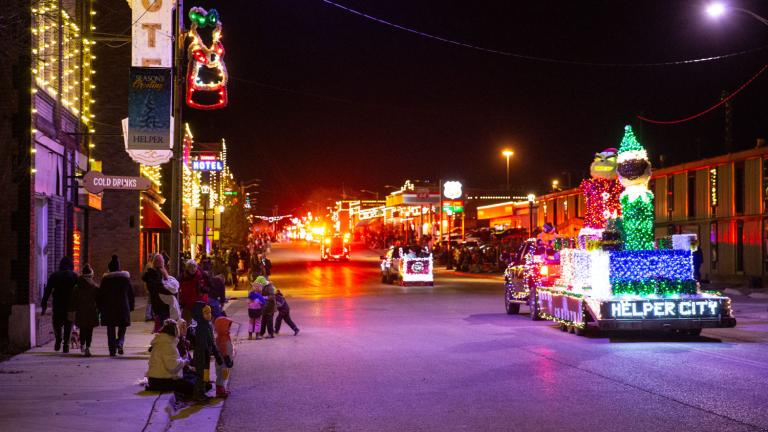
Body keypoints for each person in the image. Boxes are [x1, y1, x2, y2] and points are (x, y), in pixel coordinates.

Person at [145, 319, 194, 398]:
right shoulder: (167, 344)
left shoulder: (163, 341)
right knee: (193, 386)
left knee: (192, 381)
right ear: (175, 331)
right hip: (161, 380)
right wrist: (185, 362)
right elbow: (172, 366)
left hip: (156, 379)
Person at [99, 255, 135, 356]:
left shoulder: (106, 279)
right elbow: (131, 294)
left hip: (109, 307)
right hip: (123, 306)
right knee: (122, 326)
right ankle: (119, 342)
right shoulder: (125, 279)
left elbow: (101, 294)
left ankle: (112, 350)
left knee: (110, 328)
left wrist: (100, 307)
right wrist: (131, 306)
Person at [41, 257, 78, 353]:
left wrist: (44, 302)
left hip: (58, 304)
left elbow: (47, 290)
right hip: (70, 304)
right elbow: (78, 291)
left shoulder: (54, 275)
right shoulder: (74, 276)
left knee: (56, 323)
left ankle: (58, 338)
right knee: (68, 324)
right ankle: (66, 344)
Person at [191, 301, 222, 402]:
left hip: (206, 355)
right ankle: (198, 394)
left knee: (205, 374)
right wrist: (211, 353)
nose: (209, 315)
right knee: (201, 375)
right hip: (201, 356)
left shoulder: (207, 325)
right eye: (206, 313)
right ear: (199, 314)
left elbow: (211, 342)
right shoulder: (201, 328)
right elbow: (203, 343)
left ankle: (202, 392)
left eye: (210, 312)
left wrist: (216, 354)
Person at [69, 264, 100, 357]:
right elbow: (99, 300)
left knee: (82, 328)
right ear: (91, 275)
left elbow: (73, 300)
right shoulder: (95, 287)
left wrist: (72, 310)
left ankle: (82, 344)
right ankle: (88, 347)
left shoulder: (77, 287)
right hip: (91, 311)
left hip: (80, 311)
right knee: (89, 330)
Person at [143, 254, 173, 333]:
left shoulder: (158, 271)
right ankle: (161, 331)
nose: (161, 262)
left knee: (159, 315)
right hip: (160, 298)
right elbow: (159, 286)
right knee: (162, 315)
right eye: (159, 261)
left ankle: (159, 330)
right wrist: (169, 291)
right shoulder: (156, 272)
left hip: (159, 298)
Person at [213, 316, 234, 398]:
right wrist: (227, 358)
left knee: (224, 374)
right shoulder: (222, 338)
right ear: (222, 327)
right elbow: (223, 349)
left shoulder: (225, 336)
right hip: (223, 361)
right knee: (221, 374)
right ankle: (219, 389)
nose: (229, 328)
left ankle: (222, 388)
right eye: (228, 327)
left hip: (226, 360)